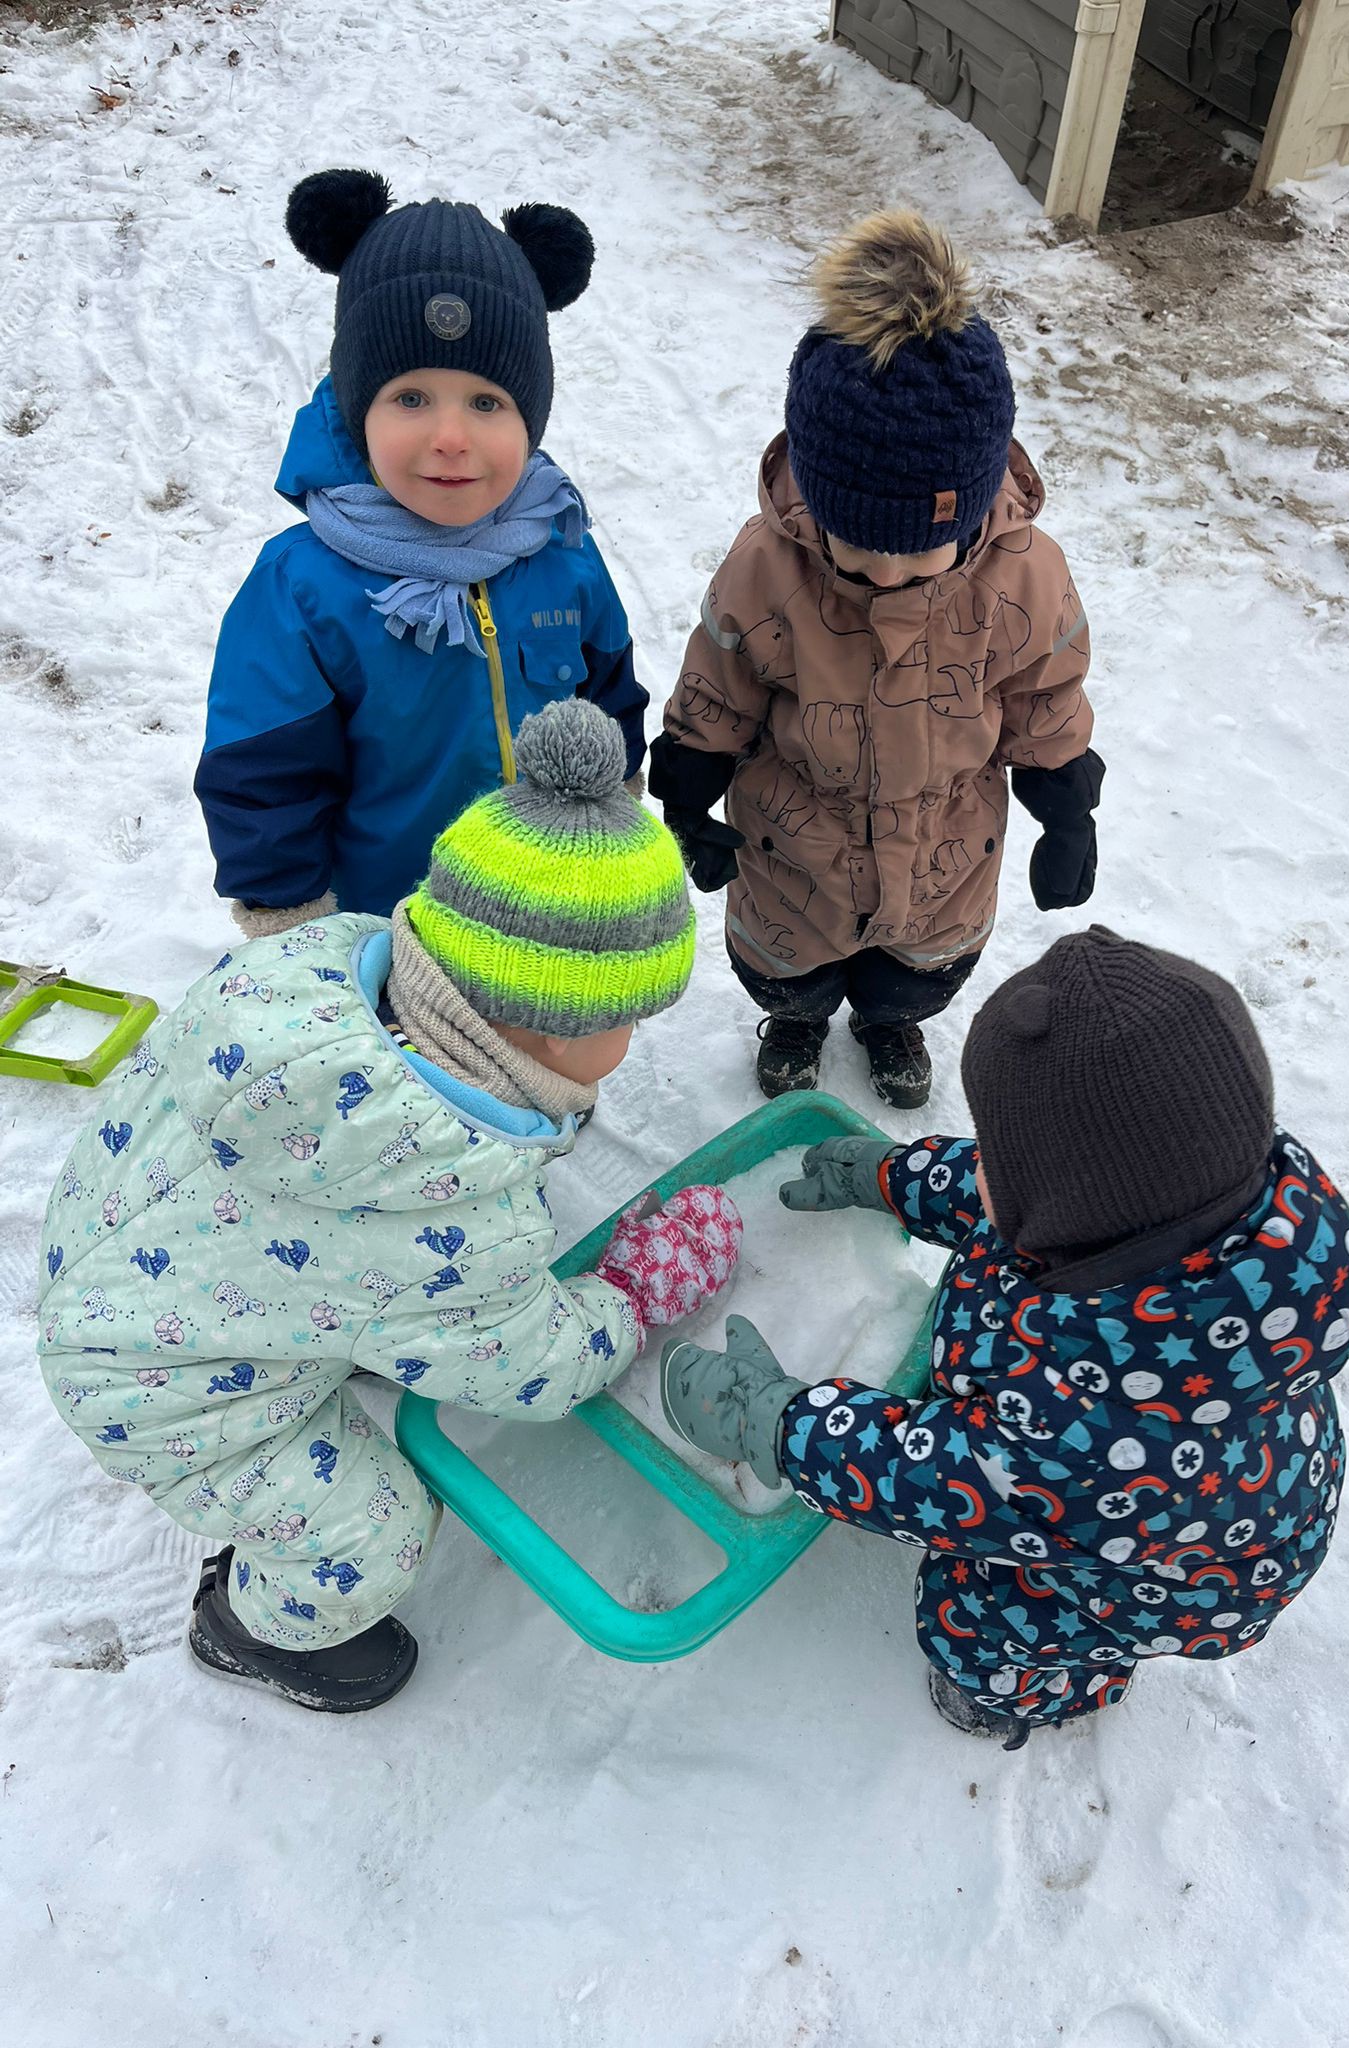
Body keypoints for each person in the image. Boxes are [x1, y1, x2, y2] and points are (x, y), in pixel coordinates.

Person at [39, 702, 735, 1712]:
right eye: (625, 1015)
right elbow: (528, 1365)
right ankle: (253, 1627)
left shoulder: (316, 973)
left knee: (361, 1287)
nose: (632, 1038)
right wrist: (627, 1295)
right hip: (173, 1394)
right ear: (550, 1027)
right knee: (376, 1532)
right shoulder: (449, 1217)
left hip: (111, 1246)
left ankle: (342, 1329)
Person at [659, 928, 1349, 1747]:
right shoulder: (1192, 1212)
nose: (986, 1167)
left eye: (1000, 1159)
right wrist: (894, 1179)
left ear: (1068, 1210)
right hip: (1181, 1469)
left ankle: (1029, 1692)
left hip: (1162, 1579)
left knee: (977, 1614)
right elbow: (1020, 1190)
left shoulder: (1085, 1447)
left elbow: (921, 1478)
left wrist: (779, 1424)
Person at [648, 210, 1101, 1109]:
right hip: (794, 842)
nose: (886, 576)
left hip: (944, 849)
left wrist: (1066, 810)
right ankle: (797, 1019)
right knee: (788, 968)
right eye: (857, 550)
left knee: (917, 974)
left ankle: (890, 1020)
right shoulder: (766, 567)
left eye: (919, 553)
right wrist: (688, 792)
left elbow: (1046, 693)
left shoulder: (1025, 576)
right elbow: (718, 683)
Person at [195, 168, 647, 937]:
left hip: (541, 911)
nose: (450, 437)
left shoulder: (560, 551)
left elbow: (608, 702)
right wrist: (295, 924)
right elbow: (265, 774)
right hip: (379, 930)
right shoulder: (301, 586)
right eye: (410, 398)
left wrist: (615, 806)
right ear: (357, 409)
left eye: (487, 402)